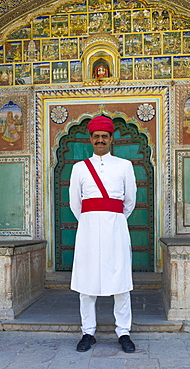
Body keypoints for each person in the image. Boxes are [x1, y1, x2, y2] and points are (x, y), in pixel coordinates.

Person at [69, 115, 137, 353]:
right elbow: (75, 205)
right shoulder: (79, 168)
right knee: (87, 284)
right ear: (91, 139)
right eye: (96, 136)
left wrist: (112, 221)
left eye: (104, 137)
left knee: (120, 284)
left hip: (116, 230)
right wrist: (91, 222)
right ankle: (88, 332)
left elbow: (129, 202)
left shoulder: (124, 166)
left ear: (111, 139)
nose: (100, 140)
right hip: (88, 232)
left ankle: (124, 332)